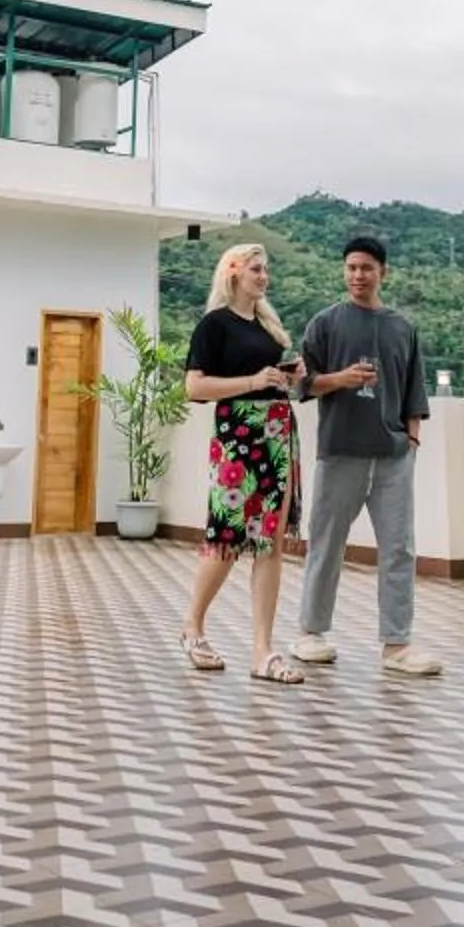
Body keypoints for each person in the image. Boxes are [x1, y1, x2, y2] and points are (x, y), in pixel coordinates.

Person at [291, 234, 442, 677]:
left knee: (399, 548)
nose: (358, 276)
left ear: (383, 273)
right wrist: (341, 378)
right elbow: (304, 384)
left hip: (394, 455)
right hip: (339, 451)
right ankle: (310, 632)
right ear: (344, 271)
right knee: (326, 542)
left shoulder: (402, 327)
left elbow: (415, 390)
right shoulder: (325, 323)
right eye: (351, 268)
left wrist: (411, 442)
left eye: (367, 268)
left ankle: (397, 645)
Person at [180, 243, 308, 685]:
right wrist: (254, 381)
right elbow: (194, 387)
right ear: (233, 272)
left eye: (266, 269)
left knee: (270, 541)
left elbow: (272, 379)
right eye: (256, 268)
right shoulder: (213, 326)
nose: (264, 276)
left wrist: (288, 376)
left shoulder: (269, 327)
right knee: (229, 537)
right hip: (237, 437)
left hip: (277, 432)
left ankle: (262, 650)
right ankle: (192, 626)